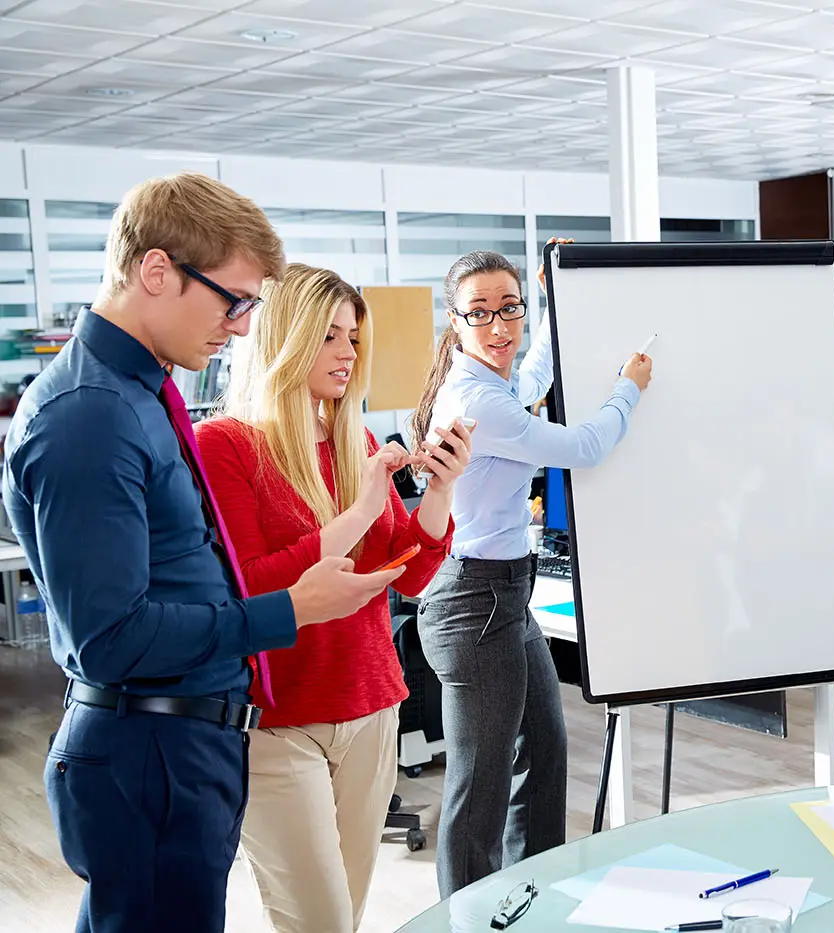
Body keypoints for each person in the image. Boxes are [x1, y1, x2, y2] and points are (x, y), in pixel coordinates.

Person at [2, 173, 401, 932]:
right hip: (149, 745)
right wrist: (287, 610)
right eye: (234, 300)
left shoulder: (142, 392)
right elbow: (109, 637)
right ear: (157, 271)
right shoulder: (90, 415)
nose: (244, 327)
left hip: (188, 741)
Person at [195, 264, 472, 932]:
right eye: (330, 335)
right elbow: (254, 585)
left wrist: (440, 489)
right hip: (276, 720)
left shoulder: (357, 440)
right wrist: (359, 513)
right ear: (285, 337)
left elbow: (407, 575)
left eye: (353, 336)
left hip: (371, 706)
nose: (349, 351)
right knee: (316, 919)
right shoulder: (224, 445)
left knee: (341, 917)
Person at [408, 246, 653, 895]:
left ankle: (529, 900)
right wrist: (630, 386)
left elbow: (533, 376)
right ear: (455, 320)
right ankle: (468, 917)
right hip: (475, 602)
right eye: (480, 313)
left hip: (504, 596)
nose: (499, 326)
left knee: (542, 756)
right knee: (479, 791)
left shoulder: (493, 384)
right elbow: (586, 446)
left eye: (509, 308)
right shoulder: (477, 401)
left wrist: (548, 304)